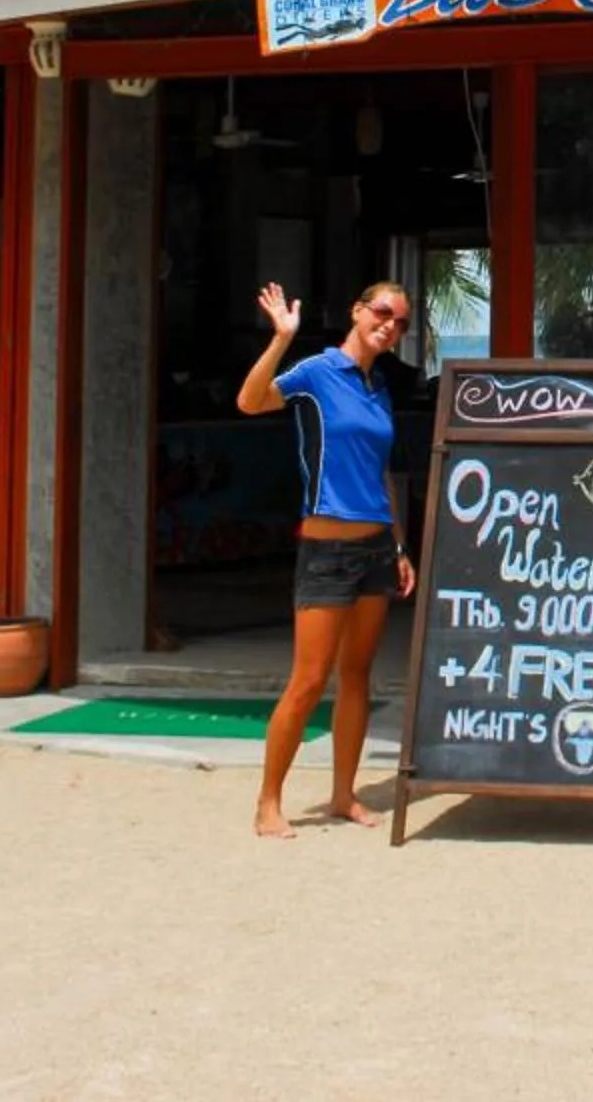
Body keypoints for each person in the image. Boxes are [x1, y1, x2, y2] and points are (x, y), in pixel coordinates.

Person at [238, 279, 417, 838]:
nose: (390, 325)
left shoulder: (378, 385)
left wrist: (399, 544)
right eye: (383, 313)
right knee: (309, 680)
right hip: (326, 550)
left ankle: (344, 795)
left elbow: (382, 474)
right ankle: (268, 801)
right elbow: (250, 402)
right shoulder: (317, 372)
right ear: (358, 311)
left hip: (375, 549)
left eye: (402, 322)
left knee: (358, 676)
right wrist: (280, 340)